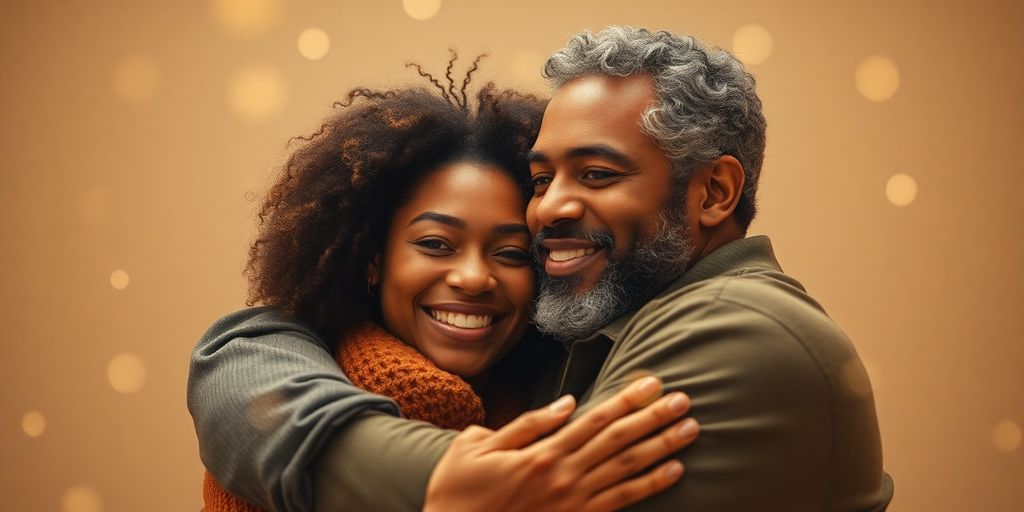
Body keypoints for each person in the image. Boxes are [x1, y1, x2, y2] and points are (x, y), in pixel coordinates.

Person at [190, 27, 893, 511]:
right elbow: (243, 360)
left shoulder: (731, 332)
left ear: (714, 192)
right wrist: (438, 476)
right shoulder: (587, 335)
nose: (549, 209)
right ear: (369, 259)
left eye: (594, 173)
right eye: (541, 177)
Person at [193, 62, 698, 512]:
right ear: (373, 259)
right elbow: (255, 409)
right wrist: (454, 480)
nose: (474, 278)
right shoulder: (267, 350)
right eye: (436, 244)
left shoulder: (553, 393)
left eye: (512, 253)